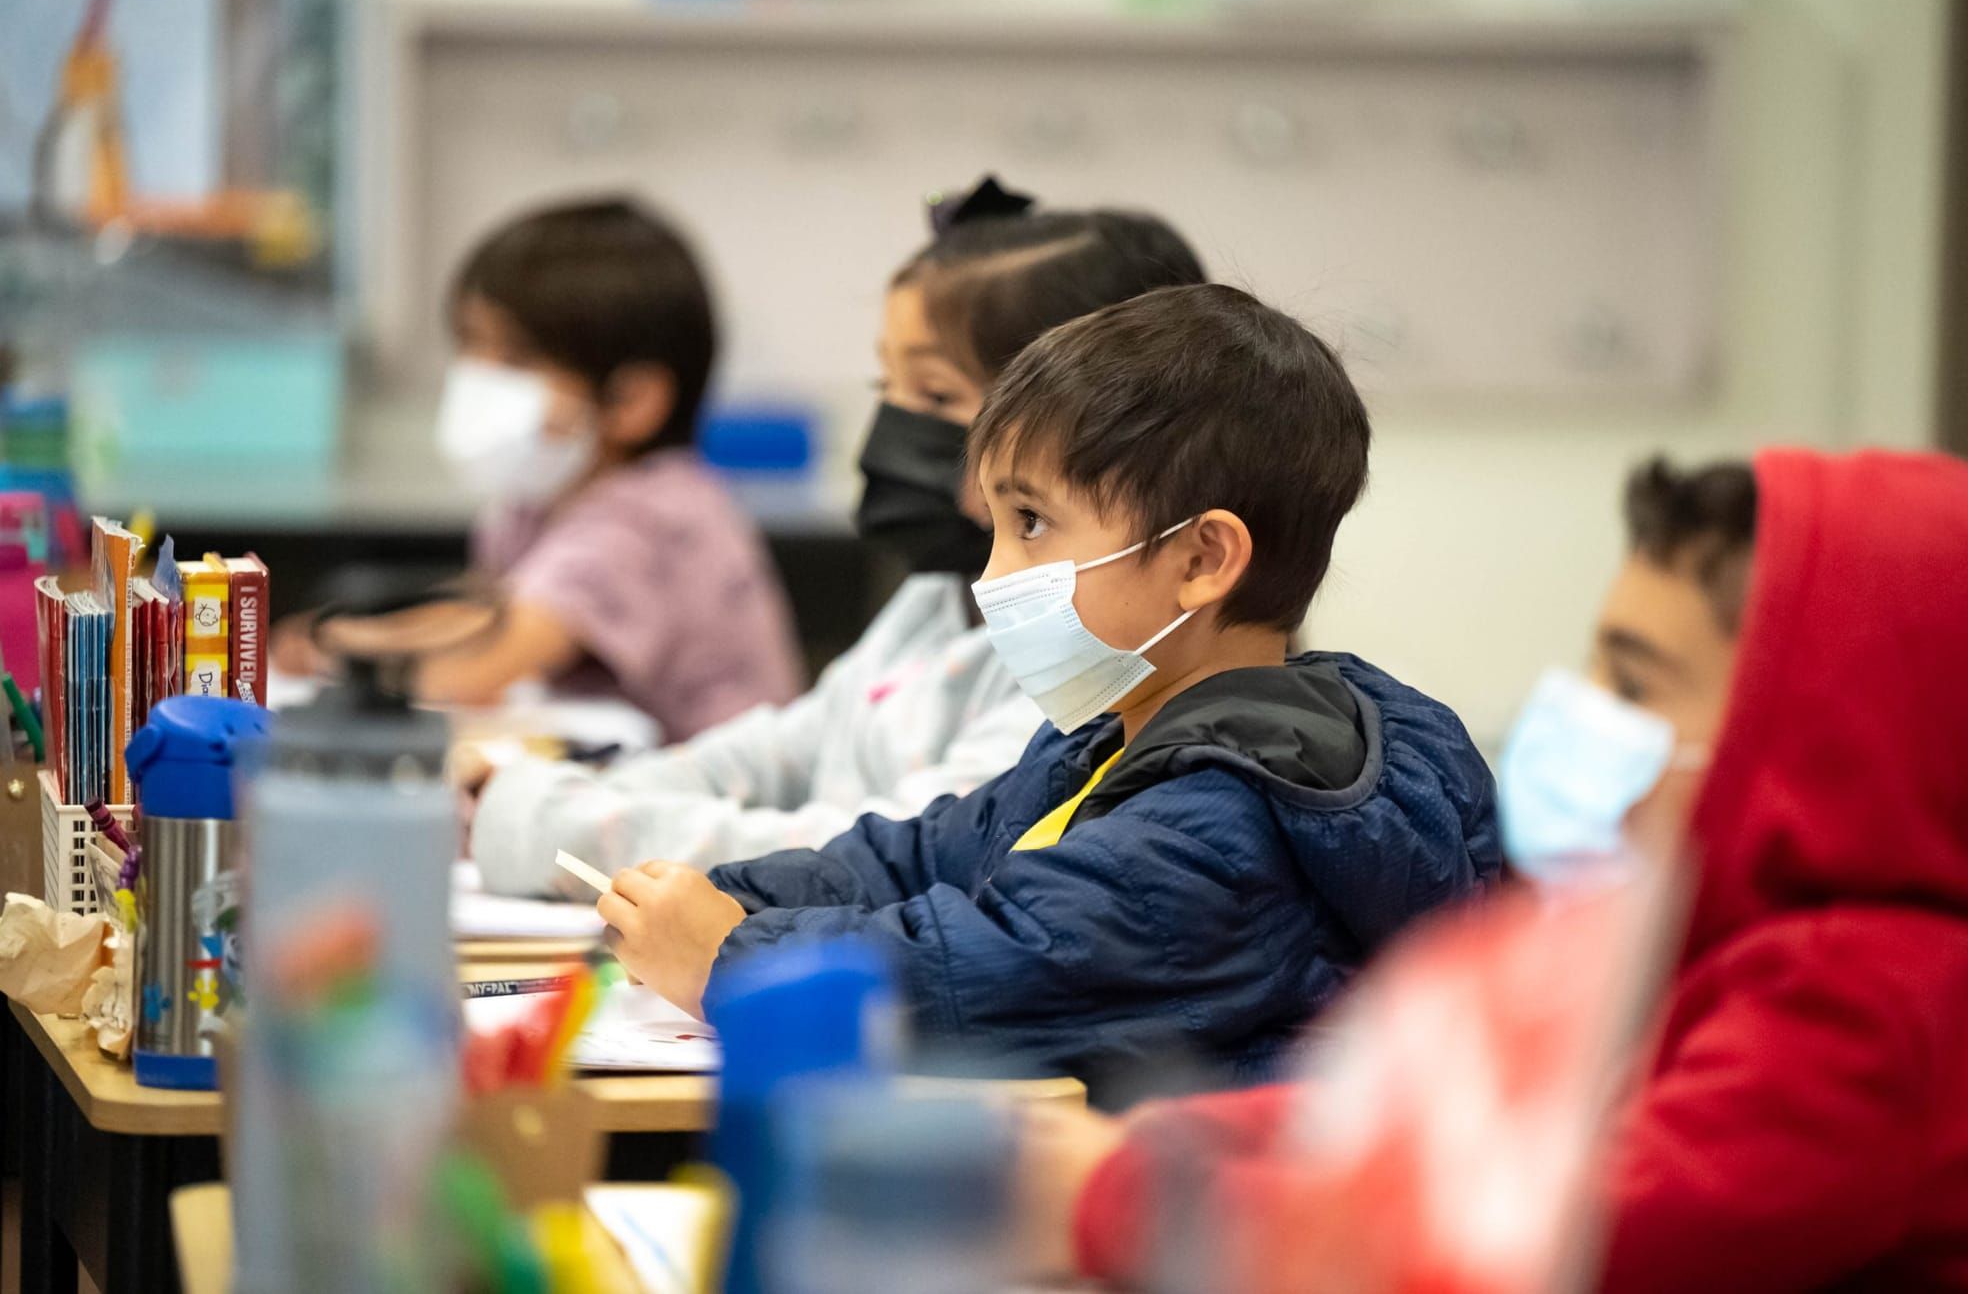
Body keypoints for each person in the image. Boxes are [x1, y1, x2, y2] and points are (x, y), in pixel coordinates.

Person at [1043, 449, 1968, 1290]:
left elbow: (1522, 1246)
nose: (1582, 708)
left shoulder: (1862, 1001)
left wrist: (1116, 1193)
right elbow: (1413, 1111)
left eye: (1634, 683)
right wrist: (1166, 1141)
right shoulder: (1672, 948)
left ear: (1826, 743)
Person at [591, 283, 1503, 1096]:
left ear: (1202, 559)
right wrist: (720, 895)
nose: (994, 576)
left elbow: (977, 977)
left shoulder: (1233, 824)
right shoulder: (1110, 739)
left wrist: (728, 956)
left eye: (1032, 523)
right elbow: (918, 858)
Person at [470, 179, 1208, 896]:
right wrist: (559, 796)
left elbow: (888, 857)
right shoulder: (932, 605)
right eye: (885, 390)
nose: (893, 426)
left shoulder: (1081, 664)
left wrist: (555, 825)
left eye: (937, 396)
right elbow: (777, 751)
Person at [278, 197, 803, 739]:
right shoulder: (538, 503)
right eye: (469, 346)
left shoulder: (648, 520)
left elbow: (478, 664)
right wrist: (350, 635)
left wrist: (341, 651)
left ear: (632, 402)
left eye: (514, 360)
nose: (476, 378)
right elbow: (485, 615)